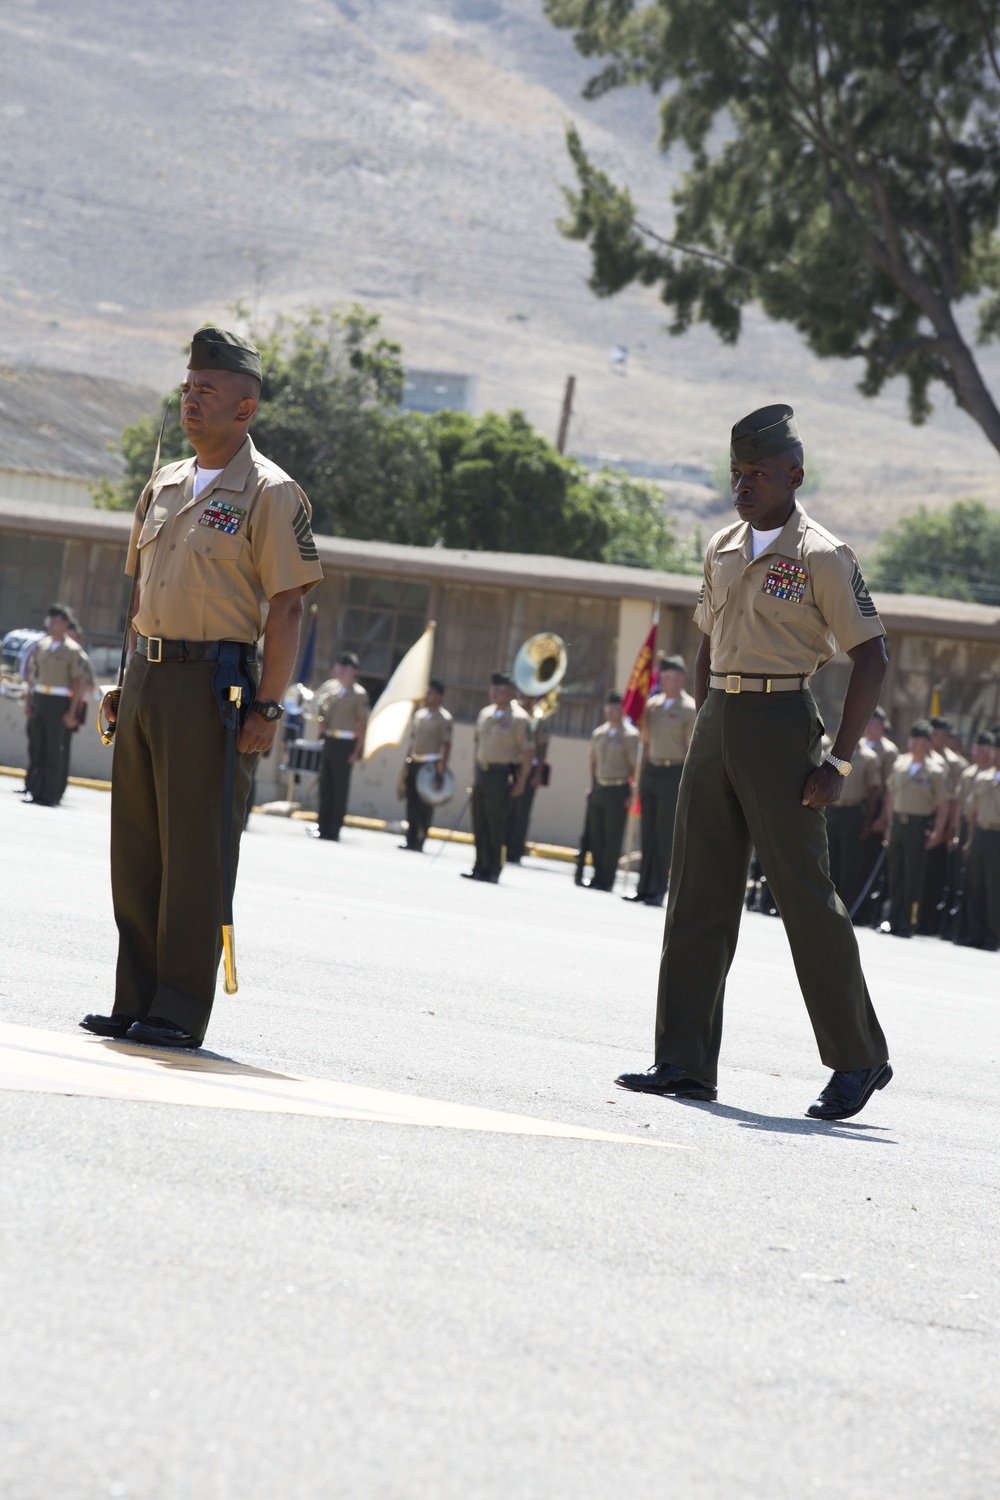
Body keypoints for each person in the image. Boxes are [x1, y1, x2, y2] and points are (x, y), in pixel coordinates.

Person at [615, 403, 892, 1122]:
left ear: (793, 476)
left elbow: (872, 656)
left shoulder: (822, 556)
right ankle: (682, 1060)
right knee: (697, 891)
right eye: (736, 473)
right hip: (720, 721)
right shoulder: (723, 544)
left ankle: (858, 1058)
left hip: (780, 721)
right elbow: (707, 639)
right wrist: (709, 716)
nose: (742, 485)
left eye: (757, 473)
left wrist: (837, 759)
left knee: (804, 895)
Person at [80, 325, 322, 1048]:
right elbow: (141, 593)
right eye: (187, 387)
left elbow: (288, 606)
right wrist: (125, 680)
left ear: (243, 410)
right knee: (138, 851)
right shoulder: (165, 482)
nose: (191, 400)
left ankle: (178, 1009)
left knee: (195, 853)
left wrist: (270, 707)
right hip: (149, 680)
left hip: (211, 686)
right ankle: (134, 999)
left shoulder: (271, 493)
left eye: (207, 390)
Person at [625, 654, 696, 906]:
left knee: (663, 834)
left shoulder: (688, 708)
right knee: (647, 833)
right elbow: (644, 745)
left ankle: (657, 889)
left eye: (668, 678)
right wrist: (638, 778)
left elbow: (691, 750)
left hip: (673, 773)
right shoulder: (652, 706)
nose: (664, 682)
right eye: (662, 677)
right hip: (652, 772)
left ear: (680, 679)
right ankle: (643, 887)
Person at [880, 721, 950, 938]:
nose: (914, 744)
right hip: (898, 824)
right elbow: (891, 795)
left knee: (913, 876)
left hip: (918, 825)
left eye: (920, 740)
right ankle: (891, 919)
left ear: (928, 744)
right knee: (896, 874)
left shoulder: (935, 771)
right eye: (912, 739)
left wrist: (938, 832)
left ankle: (908, 922)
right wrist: (888, 823)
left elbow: (943, 806)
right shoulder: (901, 764)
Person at [464, 670, 532, 883]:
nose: (495, 693)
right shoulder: (485, 713)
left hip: (502, 774)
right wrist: (475, 772)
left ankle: (493, 869)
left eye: (500, 690)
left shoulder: (519, 718)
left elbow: (528, 751)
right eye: (493, 689)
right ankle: (479, 865)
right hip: (483, 773)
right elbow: (478, 744)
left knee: (496, 823)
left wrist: (522, 781)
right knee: (479, 821)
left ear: (511, 692)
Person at [23, 604, 90, 806]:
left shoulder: (72, 650)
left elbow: (78, 683)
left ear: (66, 624)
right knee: (38, 748)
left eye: (57, 621)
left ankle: (50, 794)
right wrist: (29, 703)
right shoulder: (42, 646)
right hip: (40, 698)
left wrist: (72, 712)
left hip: (59, 702)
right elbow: (32, 677)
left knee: (54, 750)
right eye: (50, 620)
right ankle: (34, 791)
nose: (51, 624)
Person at [585, 691, 640, 891]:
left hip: (618, 790)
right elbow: (592, 761)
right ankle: (597, 875)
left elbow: (636, 767)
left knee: (612, 837)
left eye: (615, 708)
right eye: (608, 708)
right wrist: (592, 785)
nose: (611, 712)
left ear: (622, 709)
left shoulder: (629, 735)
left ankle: (606, 880)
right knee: (597, 836)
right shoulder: (599, 733)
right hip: (600, 787)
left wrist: (632, 794)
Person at [919, 716, 969, 933]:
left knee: (936, 876)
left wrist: (949, 830)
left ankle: (930, 921)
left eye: (937, 734)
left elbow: (955, 801)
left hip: (943, 822)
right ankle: (916, 916)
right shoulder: (922, 756)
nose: (933, 738)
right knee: (919, 873)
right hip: (921, 819)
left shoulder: (955, 763)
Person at [313, 652, 370, 841]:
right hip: (329, 739)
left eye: (345, 668)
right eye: (339, 667)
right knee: (325, 785)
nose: (341, 671)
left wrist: (357, 750)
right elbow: (317, 705)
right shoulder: (331, 687)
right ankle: (322, 826)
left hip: (346, 743)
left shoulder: (359, 694)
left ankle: (334, 829)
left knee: (339, 787)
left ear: (354, 671)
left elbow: (363, 724)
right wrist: (319, 723)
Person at [823, 736, 882, 916]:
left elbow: (873, 792)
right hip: (832, 810)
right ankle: (825, 906)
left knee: (849, 863)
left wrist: (868, 821)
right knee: (828, 860)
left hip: (853, 812)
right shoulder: (832, 752)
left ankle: (845, 908)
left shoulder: (869, 757)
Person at [400, 678, 452, 852]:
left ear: (439, 696)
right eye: (427, 692)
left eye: (431, 693)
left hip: (430, 764)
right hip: (415, 761)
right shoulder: (420, 714)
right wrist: (407, 761)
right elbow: (412, 739)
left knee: (425, 804)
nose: (427, 696)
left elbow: (446, 745)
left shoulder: (444, 718)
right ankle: (410, 837)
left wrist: (441, 770)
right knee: (411, 801)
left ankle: (420, 838)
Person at [959, 742, 1000, 950]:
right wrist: (969, 840)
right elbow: (972, 813)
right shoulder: (982, 778)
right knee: (976, 885)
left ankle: (993, 936)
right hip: (981, 834)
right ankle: (975, 933)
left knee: (995, 888)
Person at [506, 702, 549, 864]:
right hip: (511, 765)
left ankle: (515, 850)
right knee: (506, 808)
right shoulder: (511, 713)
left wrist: (538, 772)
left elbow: (542, 746)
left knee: (521, 811)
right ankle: (502, 845)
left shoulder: (538, 716)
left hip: (529, 767)